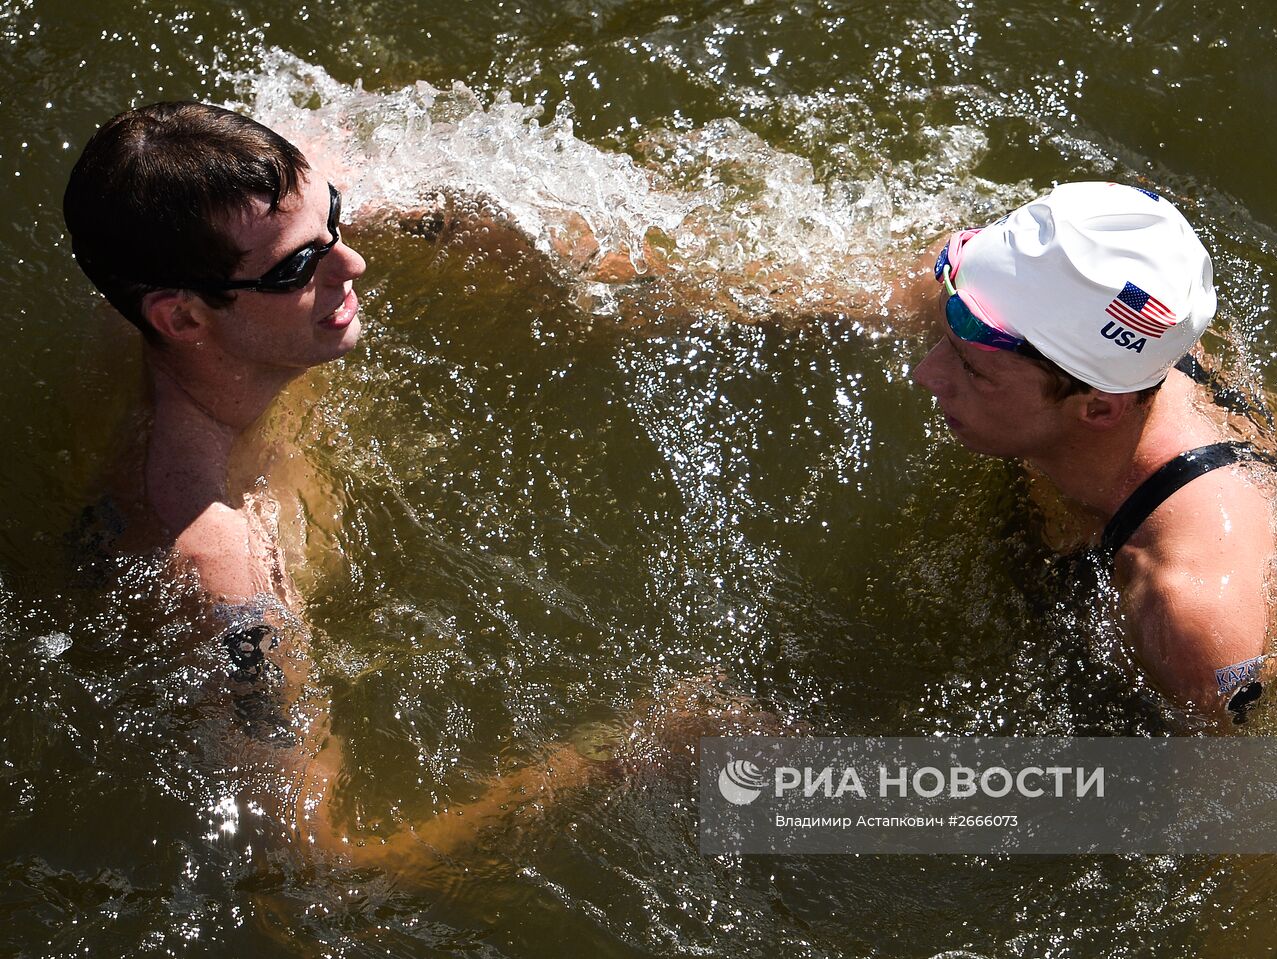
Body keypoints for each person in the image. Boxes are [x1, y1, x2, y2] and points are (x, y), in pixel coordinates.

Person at [63, 102, 780, 872]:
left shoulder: (192, 269)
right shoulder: (223, 571)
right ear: (181, 318)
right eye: (301, 267)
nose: (350, 263)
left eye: (332, 222)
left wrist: (587, 278)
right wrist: (623, 759)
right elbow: (321, 868)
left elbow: (330, 139)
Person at [898, 182, 1277, 724]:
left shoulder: (1190, 614)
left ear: (1099, 410)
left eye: (973, 371)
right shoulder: (1113, 348)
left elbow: (1231, 788)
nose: (926, 373)